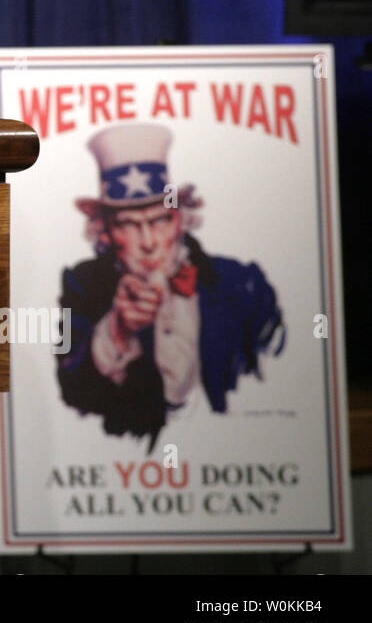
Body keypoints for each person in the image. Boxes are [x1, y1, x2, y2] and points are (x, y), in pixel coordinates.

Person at [56, 124, 285, 451]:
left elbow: (284, 382)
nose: (148, 243)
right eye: (129, 225)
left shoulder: (242, 283)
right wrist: (117, 330)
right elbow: (71, 393)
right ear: (104, 231)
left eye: (160, 220)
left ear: (181, 218)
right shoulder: (83, 285)